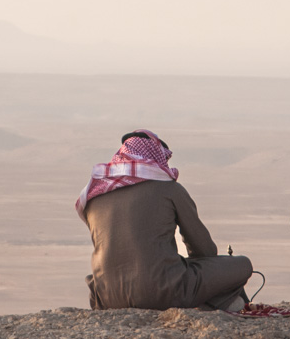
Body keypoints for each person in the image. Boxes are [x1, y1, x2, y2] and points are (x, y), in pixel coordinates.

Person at [76, 129, 253, 311]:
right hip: (161, 293)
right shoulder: (170, 189)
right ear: (156, 157)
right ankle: (220, 304)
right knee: (242, 265)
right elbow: (204, 250)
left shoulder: (94, 197)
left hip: (106, 298)